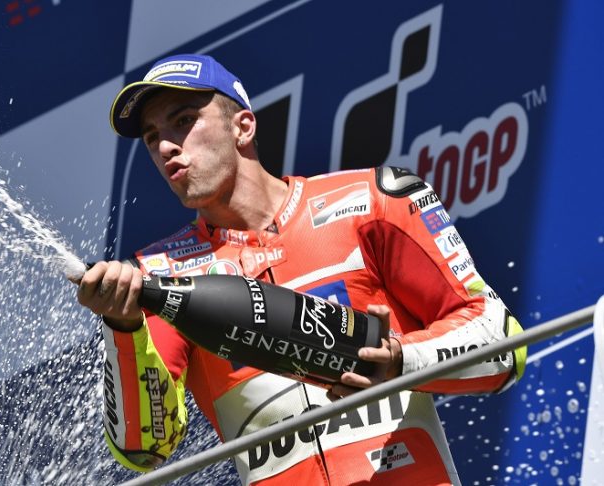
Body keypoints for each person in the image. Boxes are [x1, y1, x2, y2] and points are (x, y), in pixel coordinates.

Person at [74, 53, 526, 485]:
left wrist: (401, 362)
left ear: (243, 126)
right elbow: (145, 448)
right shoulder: (159, 274)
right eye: (152, 137)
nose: (166, 146)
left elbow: (503, 341)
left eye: (184, 120)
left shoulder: (375, 200)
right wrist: (123, 328)